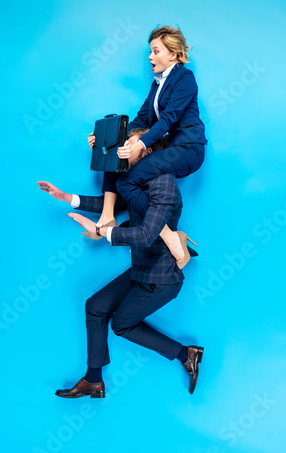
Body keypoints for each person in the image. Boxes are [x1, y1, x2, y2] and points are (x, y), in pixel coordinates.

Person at [37, 130, 204, 398]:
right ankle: (93, 381)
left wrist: (102, 231)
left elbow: (147, 235)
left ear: (147, 151)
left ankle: (186, 354)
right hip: (140, 270)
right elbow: (111, 204)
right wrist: (67, 197)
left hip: (161, 280)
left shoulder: (164, 185)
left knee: (122, 325)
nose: (124, 148)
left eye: (130, 144)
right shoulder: (138, 182)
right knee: (95, 307)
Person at [87, 25, 207, 262]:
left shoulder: (185, 78)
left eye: (155, 51)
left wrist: (139, 145)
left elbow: (168, 120)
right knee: (116, 154)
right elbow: (142, 118)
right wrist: (107, 138)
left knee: (129, 180)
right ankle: (108, 215)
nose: (150, 57)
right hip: (169, 149)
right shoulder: (157, 84)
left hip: (187, 149)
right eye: (150, 52)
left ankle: (169, 236)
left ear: (172, 54)